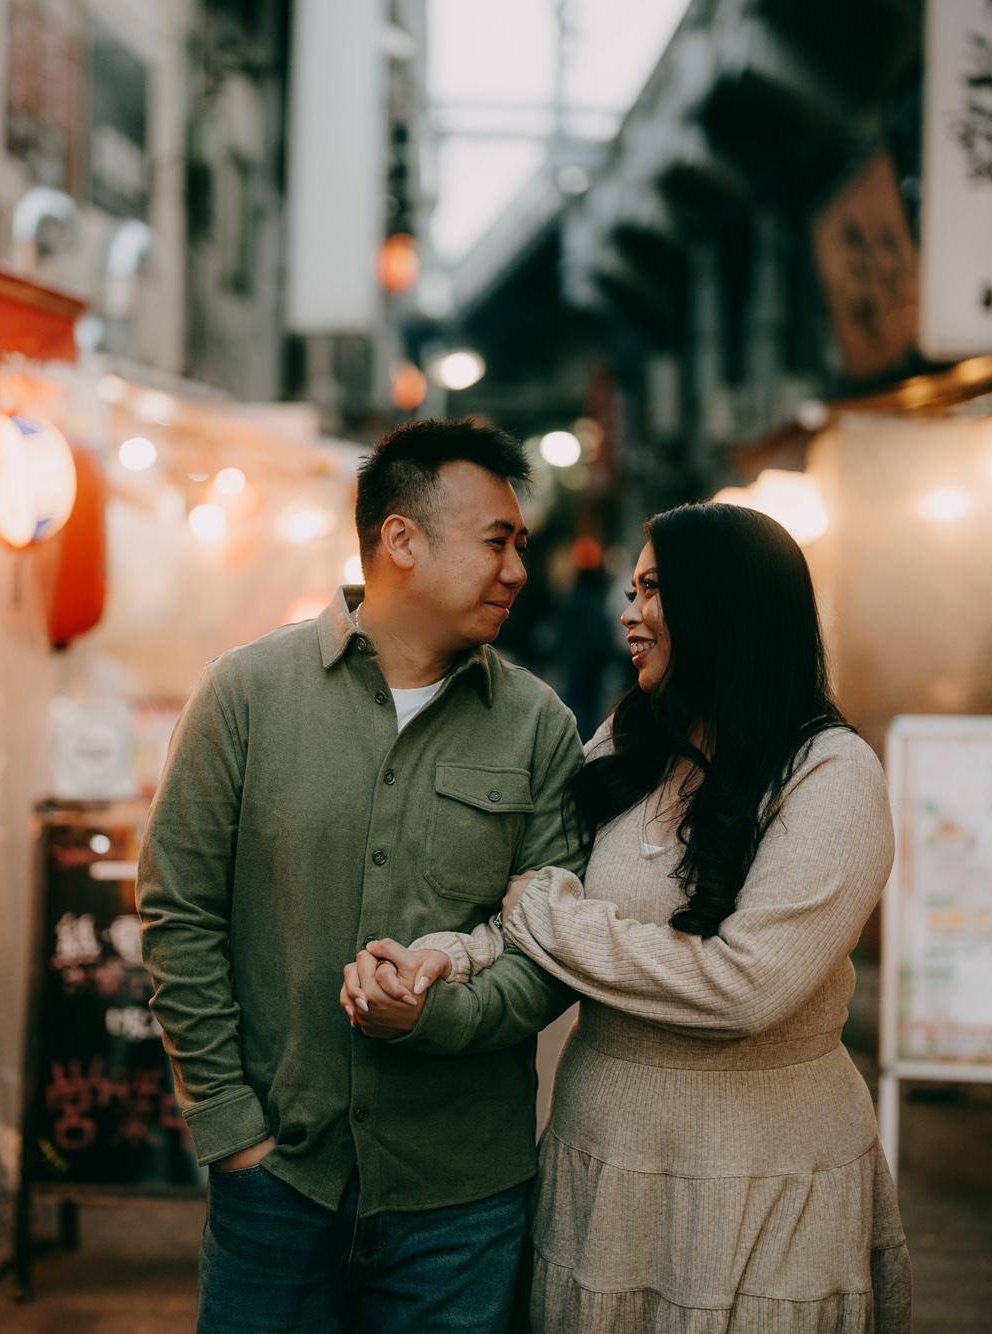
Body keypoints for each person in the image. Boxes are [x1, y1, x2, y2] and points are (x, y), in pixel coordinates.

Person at [347, 502, 911, 1333]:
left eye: (652, 591)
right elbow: (541, 899)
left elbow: (744, 988)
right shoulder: (631, 738)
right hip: (605, 1154)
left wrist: (549, 917)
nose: (628, 614)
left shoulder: (831, 775)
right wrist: (445, 958)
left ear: (724, 606)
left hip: (761, 1166)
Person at [137, 419, 587, 1331]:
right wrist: (231, 1132)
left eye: (522, 547)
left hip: (460, 1203)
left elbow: (549, 953)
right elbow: (177, 913)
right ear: (401, 538)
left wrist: (438, 1013)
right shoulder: (247, 694)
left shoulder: (539, 727)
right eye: (497, 542)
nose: (517, 571)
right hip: (277, 1186)